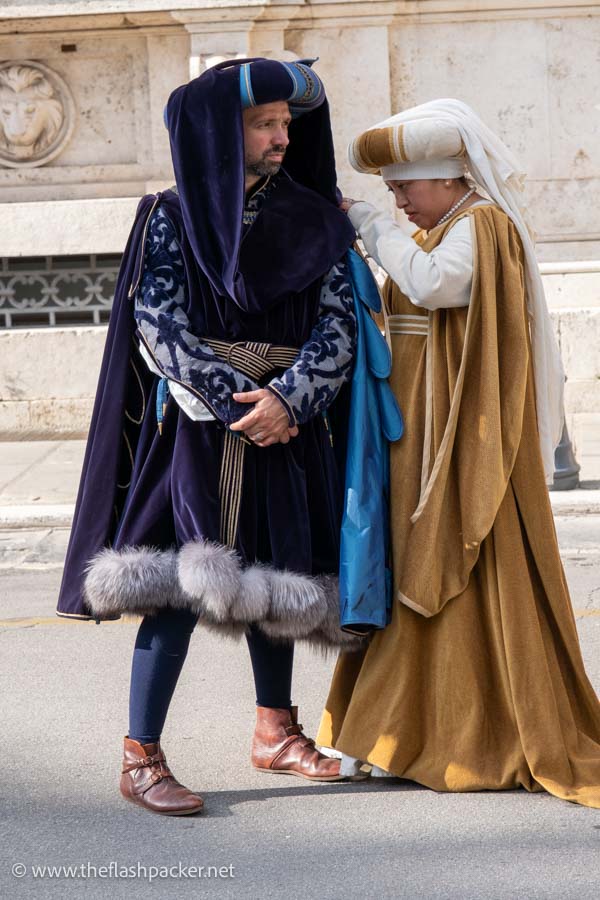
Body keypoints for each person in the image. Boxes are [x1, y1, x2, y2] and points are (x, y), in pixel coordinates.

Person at [56, 57, 363, 816]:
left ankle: (275, 731)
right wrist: (237, 405)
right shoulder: (171, 214)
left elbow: (338, 322)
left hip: (288, 425)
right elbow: (156, 325)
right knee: (176, 586)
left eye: (287, 124)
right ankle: (141, 757)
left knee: (279, 578)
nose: (281, 138)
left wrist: (290, 401)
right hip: (195, 435)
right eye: (264, 124)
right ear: (221, 135)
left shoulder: (314, 215)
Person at [318, 99, 600, 808]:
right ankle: (398, 729)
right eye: (391, 191)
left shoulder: (481, 226)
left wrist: (372, 226)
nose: (399, 199)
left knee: (452, 559)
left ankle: (456, 731)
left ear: (445, 178)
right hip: (418, 422)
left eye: (405, 186)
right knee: (412, 557)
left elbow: (434, 285)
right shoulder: (451, 221)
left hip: (460, 432)